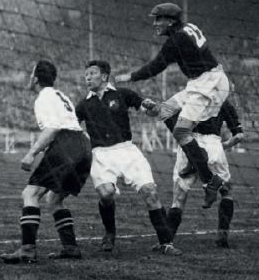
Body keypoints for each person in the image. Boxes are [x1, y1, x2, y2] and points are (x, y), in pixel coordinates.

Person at [115, 3, 230, 208]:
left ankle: (209, 180)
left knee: (181, 131)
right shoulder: (188, 28)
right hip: (205, 81)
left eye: (158, 19)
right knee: (164, 111)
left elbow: (156, 66)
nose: (155, 23)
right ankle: (195, 158)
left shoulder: (175, 40)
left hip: (207, 84)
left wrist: (130, 77)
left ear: (170, 20)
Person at [74, 60, 180, 255]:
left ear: (104, 76)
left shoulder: (122, 94)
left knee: (150, 192)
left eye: (91, 73)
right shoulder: (83, 105)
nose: (87, 77)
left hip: (127, 150)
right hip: (101, 154)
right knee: (106, 194)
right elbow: (72, 126)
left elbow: (151, 110)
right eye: (86, 74)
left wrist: (151, 106)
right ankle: (110, 232)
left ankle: (166, 243)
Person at [1, 60, 92, 264]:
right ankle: (70, 248)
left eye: (30, 73)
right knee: (54, 199)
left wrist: (31, 154)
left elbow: (52, 129)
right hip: (83, 146)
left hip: (66, 143)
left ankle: (27, 250)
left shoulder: (43, 98)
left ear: (35, 78)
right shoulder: (60, 95)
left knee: (30, 193)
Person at [149, 100, 244, 248]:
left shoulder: (190, 97)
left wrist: (154, 108)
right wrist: (223, 146)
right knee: (226, 192)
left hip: (189, 144)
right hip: (214, 146)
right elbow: (239, 136)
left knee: (179, 198)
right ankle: (222, 236)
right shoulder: (225, 103)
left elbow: (168, 114)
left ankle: (167, 241)